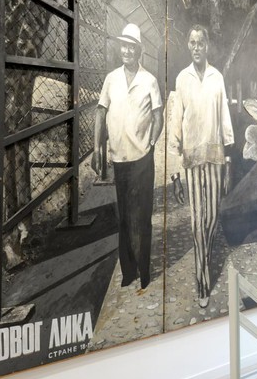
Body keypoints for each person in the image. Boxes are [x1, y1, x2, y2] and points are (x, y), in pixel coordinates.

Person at [168, 25, 234, 308]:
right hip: (192, 161)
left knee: (212, 217)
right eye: (192, 42)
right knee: (197, 221)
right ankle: (202, 281)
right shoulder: (182, 79)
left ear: (207, 46)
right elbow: (175, 125)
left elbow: (224, 117)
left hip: (216, 157)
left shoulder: (217, 77)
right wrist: (174, 173)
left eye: (201, 42)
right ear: (189, 46)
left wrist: (228, 160)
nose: (196, 47)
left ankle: (204, 255)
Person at [93, 23, 162, 293]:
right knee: (123, 216)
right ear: (119, 48)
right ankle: (128, 271)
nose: (127, 51)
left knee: (142, 215)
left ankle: (144, 270)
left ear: (139, 50)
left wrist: (152, 142)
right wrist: (97, 148)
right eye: (124, 46)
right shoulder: (111, 79)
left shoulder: (149, 80)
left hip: (142, 158)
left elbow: (158, 115)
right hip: (119, 159)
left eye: (132, 47)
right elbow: (100, 112)